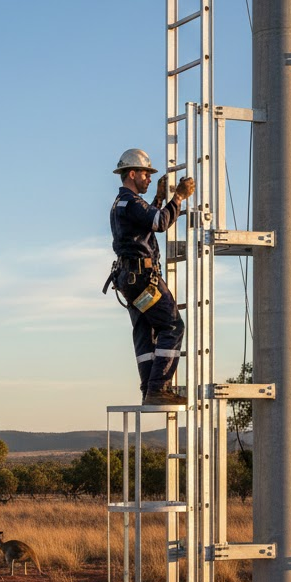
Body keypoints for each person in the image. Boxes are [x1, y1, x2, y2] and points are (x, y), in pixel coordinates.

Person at [106, 148, 196, 405]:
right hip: (143, 277)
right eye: (145, 174)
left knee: (145, 331)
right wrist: (178, 198)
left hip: (129, 280)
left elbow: (147, 223)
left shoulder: (122, 203)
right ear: (132, 174)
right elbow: (159, 223)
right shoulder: (132, 202)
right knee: (172, 326)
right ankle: (158, 388)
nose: (148, 178)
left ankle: (149, 388)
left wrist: (158, 198)